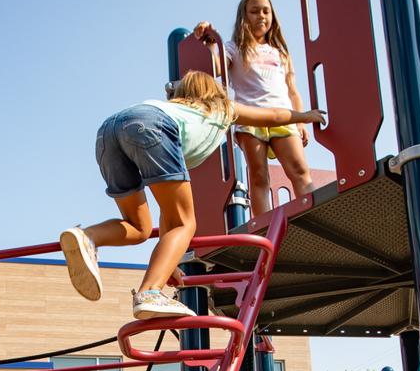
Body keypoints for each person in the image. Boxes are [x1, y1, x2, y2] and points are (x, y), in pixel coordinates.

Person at [60, 72, 324, 321]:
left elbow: (168, 211)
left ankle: (88, 237)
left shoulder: (178, 108)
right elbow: (274, 115)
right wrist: (304, 116)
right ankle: (150, 292)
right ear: (215, 93)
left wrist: (168, 261)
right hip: (151, 126)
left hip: (108, 132)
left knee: (138, 227)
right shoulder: (223, 109)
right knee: (186, 224)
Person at [192, 0, 316, 215]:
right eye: (255, 11)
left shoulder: (280, 52)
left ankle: (313, 212)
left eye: (266, 11)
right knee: (259, 176)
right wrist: (209, 43)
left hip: (284, 116)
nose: (261, 16)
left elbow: (292, 90)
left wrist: (301, 122)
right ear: (244, 16)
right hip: (251, 118)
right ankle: (264, 226)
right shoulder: (233, 48)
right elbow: (216, 69)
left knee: (299, 169)